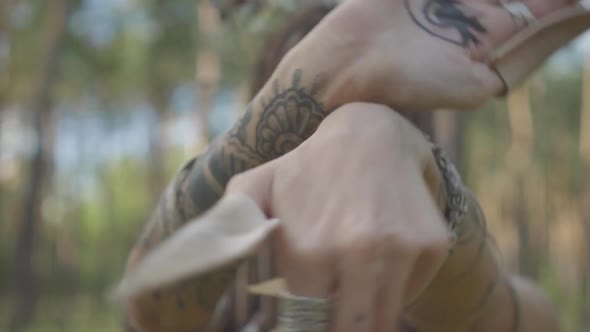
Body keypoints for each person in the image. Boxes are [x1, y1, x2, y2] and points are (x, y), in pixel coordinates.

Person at [123, 0, 590, 331]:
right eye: (305, 133)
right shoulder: (229, 309)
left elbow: (488, 317)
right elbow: (150, 315)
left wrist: (374, 134)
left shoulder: (502, 307)